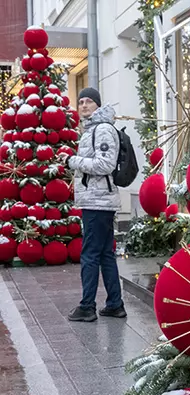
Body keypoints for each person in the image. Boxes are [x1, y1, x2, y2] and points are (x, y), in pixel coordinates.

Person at [58, 87, 126, 322]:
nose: (84, 105)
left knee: (90, 254)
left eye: (89, 101)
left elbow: (105, 165)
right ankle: (115, 304)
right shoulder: (92, 129)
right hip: (97, 201)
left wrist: (72, 161)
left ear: (98, 105)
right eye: (81, 102)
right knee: (105, 254)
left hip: (99, 202)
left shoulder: (103, 129)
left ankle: (87, 306)